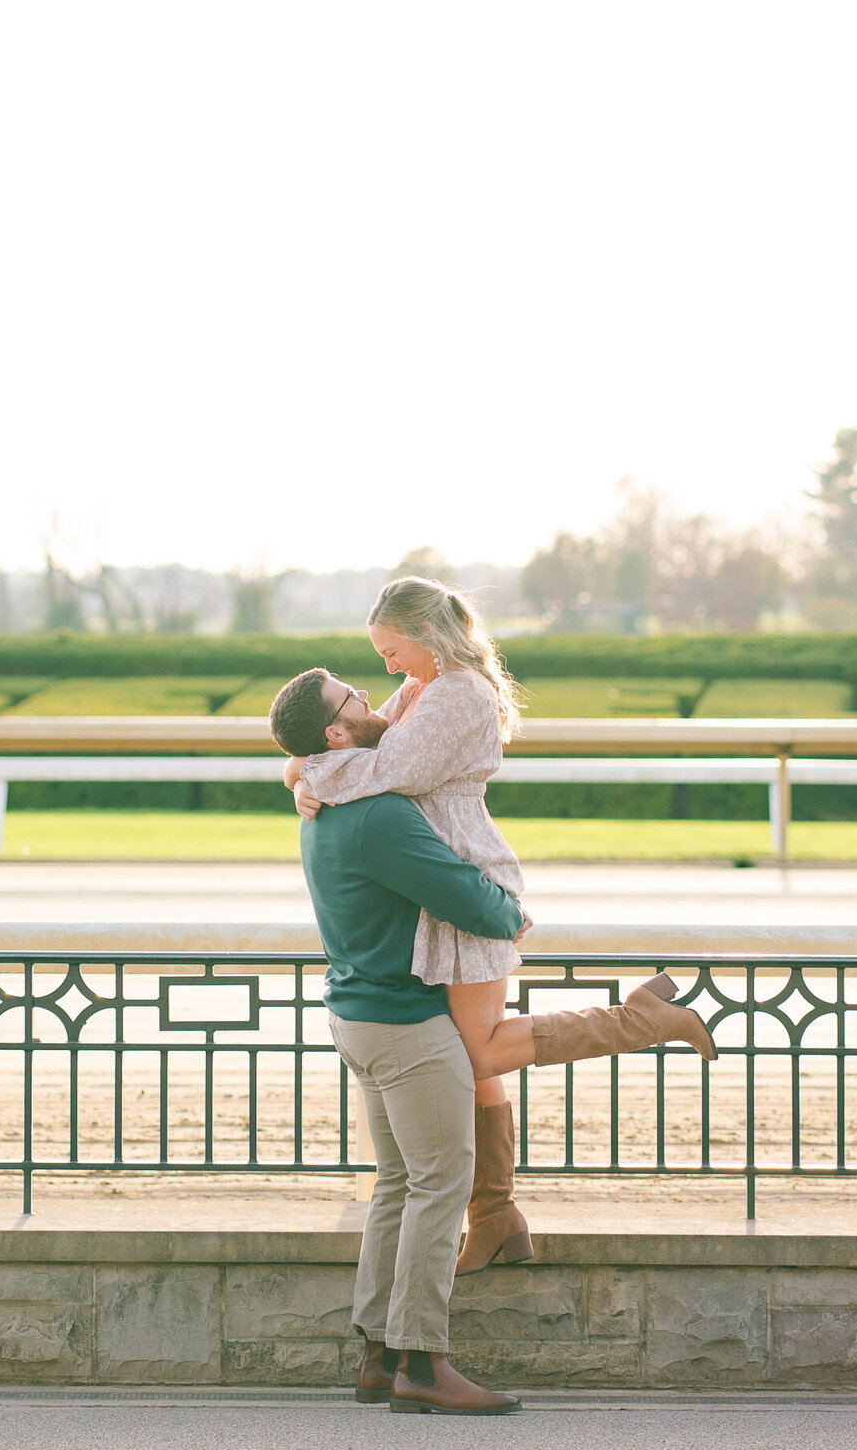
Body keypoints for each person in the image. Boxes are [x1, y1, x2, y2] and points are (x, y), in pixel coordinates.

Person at [270, 580, 717, 1276]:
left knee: (473, 1056)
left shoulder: (456, 693)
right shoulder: (423, 685)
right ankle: (497, 1215)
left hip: (465, 879)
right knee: (467, 1061)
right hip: (435, 880)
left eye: (392, 650)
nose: (385, 668)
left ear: (424, 634)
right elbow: (356, 744)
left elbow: (384, 768)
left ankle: (645, 1020)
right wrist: (304, 764)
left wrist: (306, 770)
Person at [288, 770, 528, 1413]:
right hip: (406, 1028)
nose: (368, 694)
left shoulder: (323, 808)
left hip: (358, 1017)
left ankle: (379, 1357)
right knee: (441, 1183)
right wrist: (512, 913)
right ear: (335, 737)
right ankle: (422, 1366)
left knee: (397, 1182)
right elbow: (463, 895)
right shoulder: (379, 814)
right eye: (349, 699)